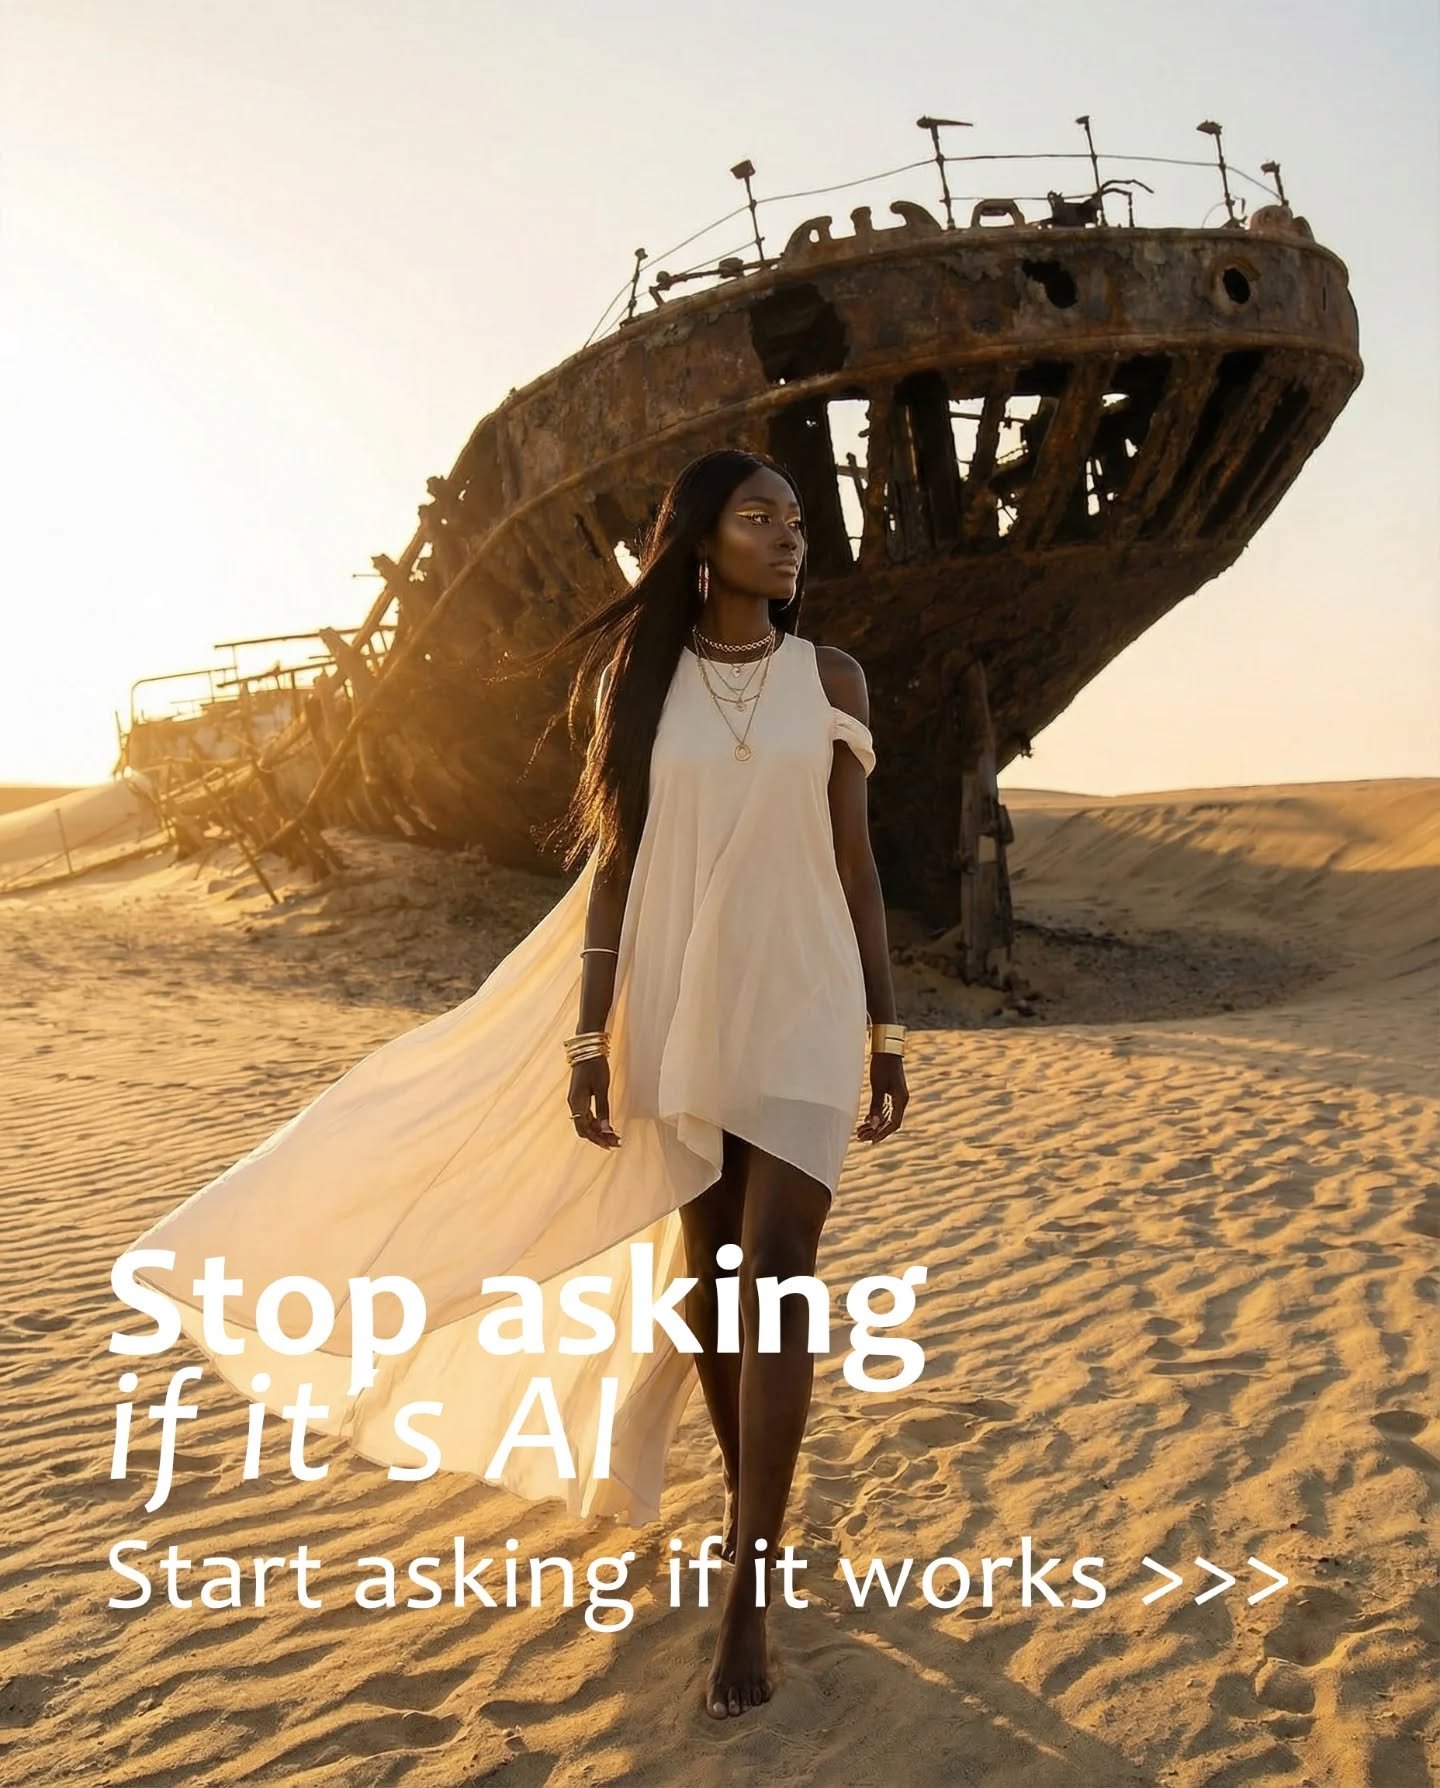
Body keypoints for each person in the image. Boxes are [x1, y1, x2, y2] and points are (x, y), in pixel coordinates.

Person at [121, 447, 909, 1722]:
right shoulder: (635, 681)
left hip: (809, 993)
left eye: (798, 521)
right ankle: (746, 1499)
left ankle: (749, 1585)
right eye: (761, 518)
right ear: (701, 541)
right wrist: (590, 1035)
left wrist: (886, 1025)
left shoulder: (835, 679)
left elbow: (858, 868)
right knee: (711, 1279)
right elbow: (612, 872)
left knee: (778, 1269)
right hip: (676, 998)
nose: (790, 537)